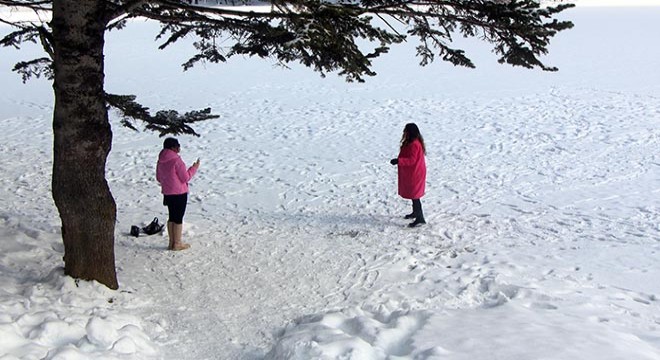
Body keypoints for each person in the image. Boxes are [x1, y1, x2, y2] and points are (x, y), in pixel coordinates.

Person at [156, 137, 200, 250]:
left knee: (171, 217)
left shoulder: (160, 160)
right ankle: (177, 243)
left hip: (167, 193)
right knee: (178, 218)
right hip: (179, 193)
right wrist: (194, 168)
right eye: (177, 146)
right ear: (173, 148)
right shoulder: (176, 160)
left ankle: (171, 242)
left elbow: (158, 177)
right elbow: (185, 177)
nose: (179, 148)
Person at [390, 123, 427, 227]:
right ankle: (416, 213)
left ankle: (420, 218)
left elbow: (412, 160)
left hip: (415, 173)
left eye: (405, 131)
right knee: (413, 194)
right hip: (413, 172)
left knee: (415, 195)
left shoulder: (414, 144)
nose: (404, 132)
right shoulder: (412, 142)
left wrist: (399, 161)